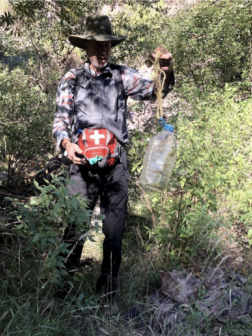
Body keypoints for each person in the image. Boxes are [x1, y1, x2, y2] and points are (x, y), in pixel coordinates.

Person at [52, 15, 174, 299]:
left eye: (107, 44)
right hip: (82, 164)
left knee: (115, 228)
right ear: (86, 47)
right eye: (97, 45)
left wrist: (166, 67)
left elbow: (155, 89)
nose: (103, 51)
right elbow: (61, 119)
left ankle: (108, 290)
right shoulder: (72, 79)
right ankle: (61, 290)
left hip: (116, 164)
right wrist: (67, 145)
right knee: (75, 224)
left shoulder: (121, 74)